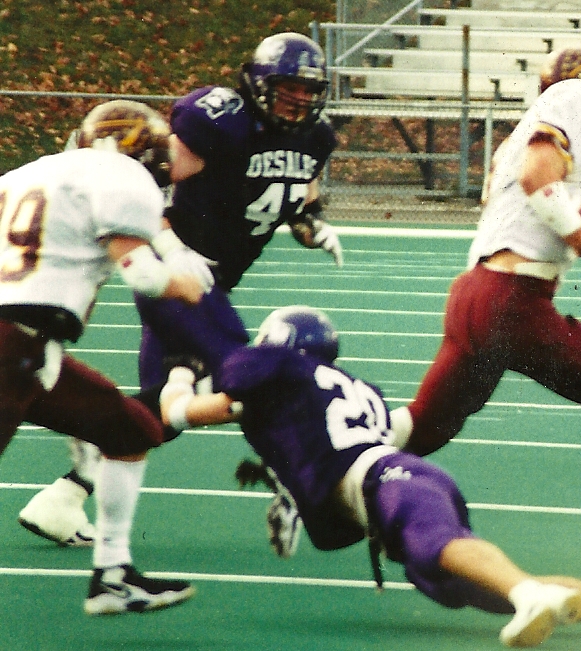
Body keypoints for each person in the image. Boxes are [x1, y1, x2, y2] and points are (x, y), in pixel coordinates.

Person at [157, 306, 581, 648]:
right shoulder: (354, 390)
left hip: (387, 483)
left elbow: (179, 413)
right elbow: (299, 439)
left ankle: (529, 593)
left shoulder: (277, 373)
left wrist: (180, 367)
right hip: (405, 477)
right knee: (491, 590)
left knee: (477, 567)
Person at [19, 32, 344, 546]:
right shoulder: (218, 120)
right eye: (289, 88)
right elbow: (152, 183)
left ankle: (61, 498)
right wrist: (170, 245)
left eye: (309, 90)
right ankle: (297, 482)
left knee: (158, 416)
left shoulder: (315, 137)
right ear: (259, 85)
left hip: (210, 283)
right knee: (250, 372)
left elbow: (301, 197)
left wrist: (313, 226)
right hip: (179, 282)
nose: (300, 100)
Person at [377, 48, 581, 551]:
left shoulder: (520, 136)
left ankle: (324, 466)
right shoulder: (580, 96)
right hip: (511, 301)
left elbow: (538, 207)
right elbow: (539, 178)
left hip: (474, 293)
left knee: (427, 423)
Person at [0, 100, 206, 613]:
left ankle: (113, 573)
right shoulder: (124, 176)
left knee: (131, 429)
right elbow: (141, 273)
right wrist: (187, 285)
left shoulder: (29, 173)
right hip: (12, 344)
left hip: (31, 348)